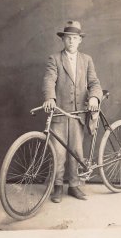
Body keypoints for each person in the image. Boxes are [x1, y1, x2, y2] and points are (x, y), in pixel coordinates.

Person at [42, 20, 102, 203]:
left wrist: (94, 97)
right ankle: (58, 186)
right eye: (68, 38)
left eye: (75, 38)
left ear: (79, 40)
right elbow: (49, 79)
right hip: (60, 113)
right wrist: (50, 98)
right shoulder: (55, 58)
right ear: (63, 40)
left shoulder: (87, 60)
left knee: (76, 151)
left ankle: (74, 186)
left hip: (78, 114)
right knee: (58, 152)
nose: (71, 41)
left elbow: (94, 83)